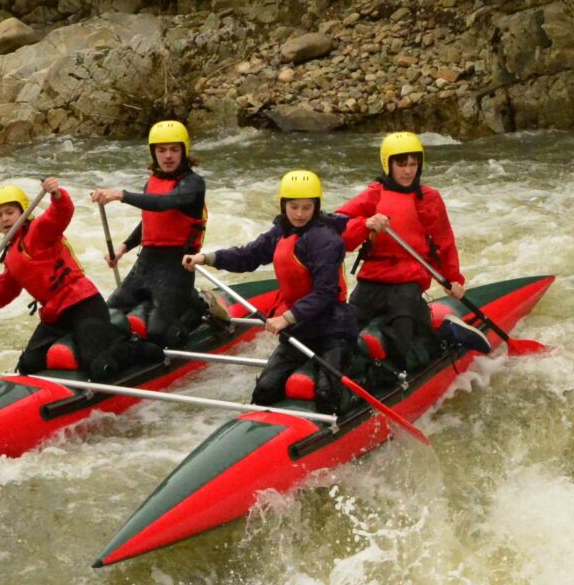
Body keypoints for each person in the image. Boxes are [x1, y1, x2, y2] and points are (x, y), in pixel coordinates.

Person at [186, 169, 356, 416]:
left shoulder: (326, 240)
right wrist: (206, 257)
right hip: (302, 329)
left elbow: (325, 293)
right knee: (265, 390)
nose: (299, 214)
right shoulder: (281, 233)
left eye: (306, 208)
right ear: (283, 205)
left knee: (326, 394)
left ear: (316, 207)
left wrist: (285, 318)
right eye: (293, 207)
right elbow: (247, 256)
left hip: (334, 328)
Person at [0, 180, 140, 380]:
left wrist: (57, 194)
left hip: (83, 305)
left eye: (9, 212)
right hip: (55, 315)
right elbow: (3, 294)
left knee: (97, 365)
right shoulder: (11, 256)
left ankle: (132, 347)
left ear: (23, 211)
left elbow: (61, 213)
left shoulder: (39, 230)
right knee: (28, 365)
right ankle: (87, 343)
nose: (4, 219)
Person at [337, 131, 466, 373]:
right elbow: (336, 229)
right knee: (343, 330)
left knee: (401, 339)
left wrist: (453, 280)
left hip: (408, 281)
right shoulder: (373, 195)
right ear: (388, 164)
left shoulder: (428, 198)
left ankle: (403, 370)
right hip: (372, 279)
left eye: (413, 164)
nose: (408, 171)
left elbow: (444, 243)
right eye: (401, 164)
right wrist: (363, 224)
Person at [90, 119, 207, 348]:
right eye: (161, 150)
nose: (168, 156)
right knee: (106, 316)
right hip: (146, 263)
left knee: (159, 332)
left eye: (174, 149)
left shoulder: (193, 184)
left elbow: (164, 204)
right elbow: (150, 219)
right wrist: (123, 248)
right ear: (153, 153)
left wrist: (120, 195)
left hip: (177, 266)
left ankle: (197, 306)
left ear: (184, 151)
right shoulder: (151, 183)